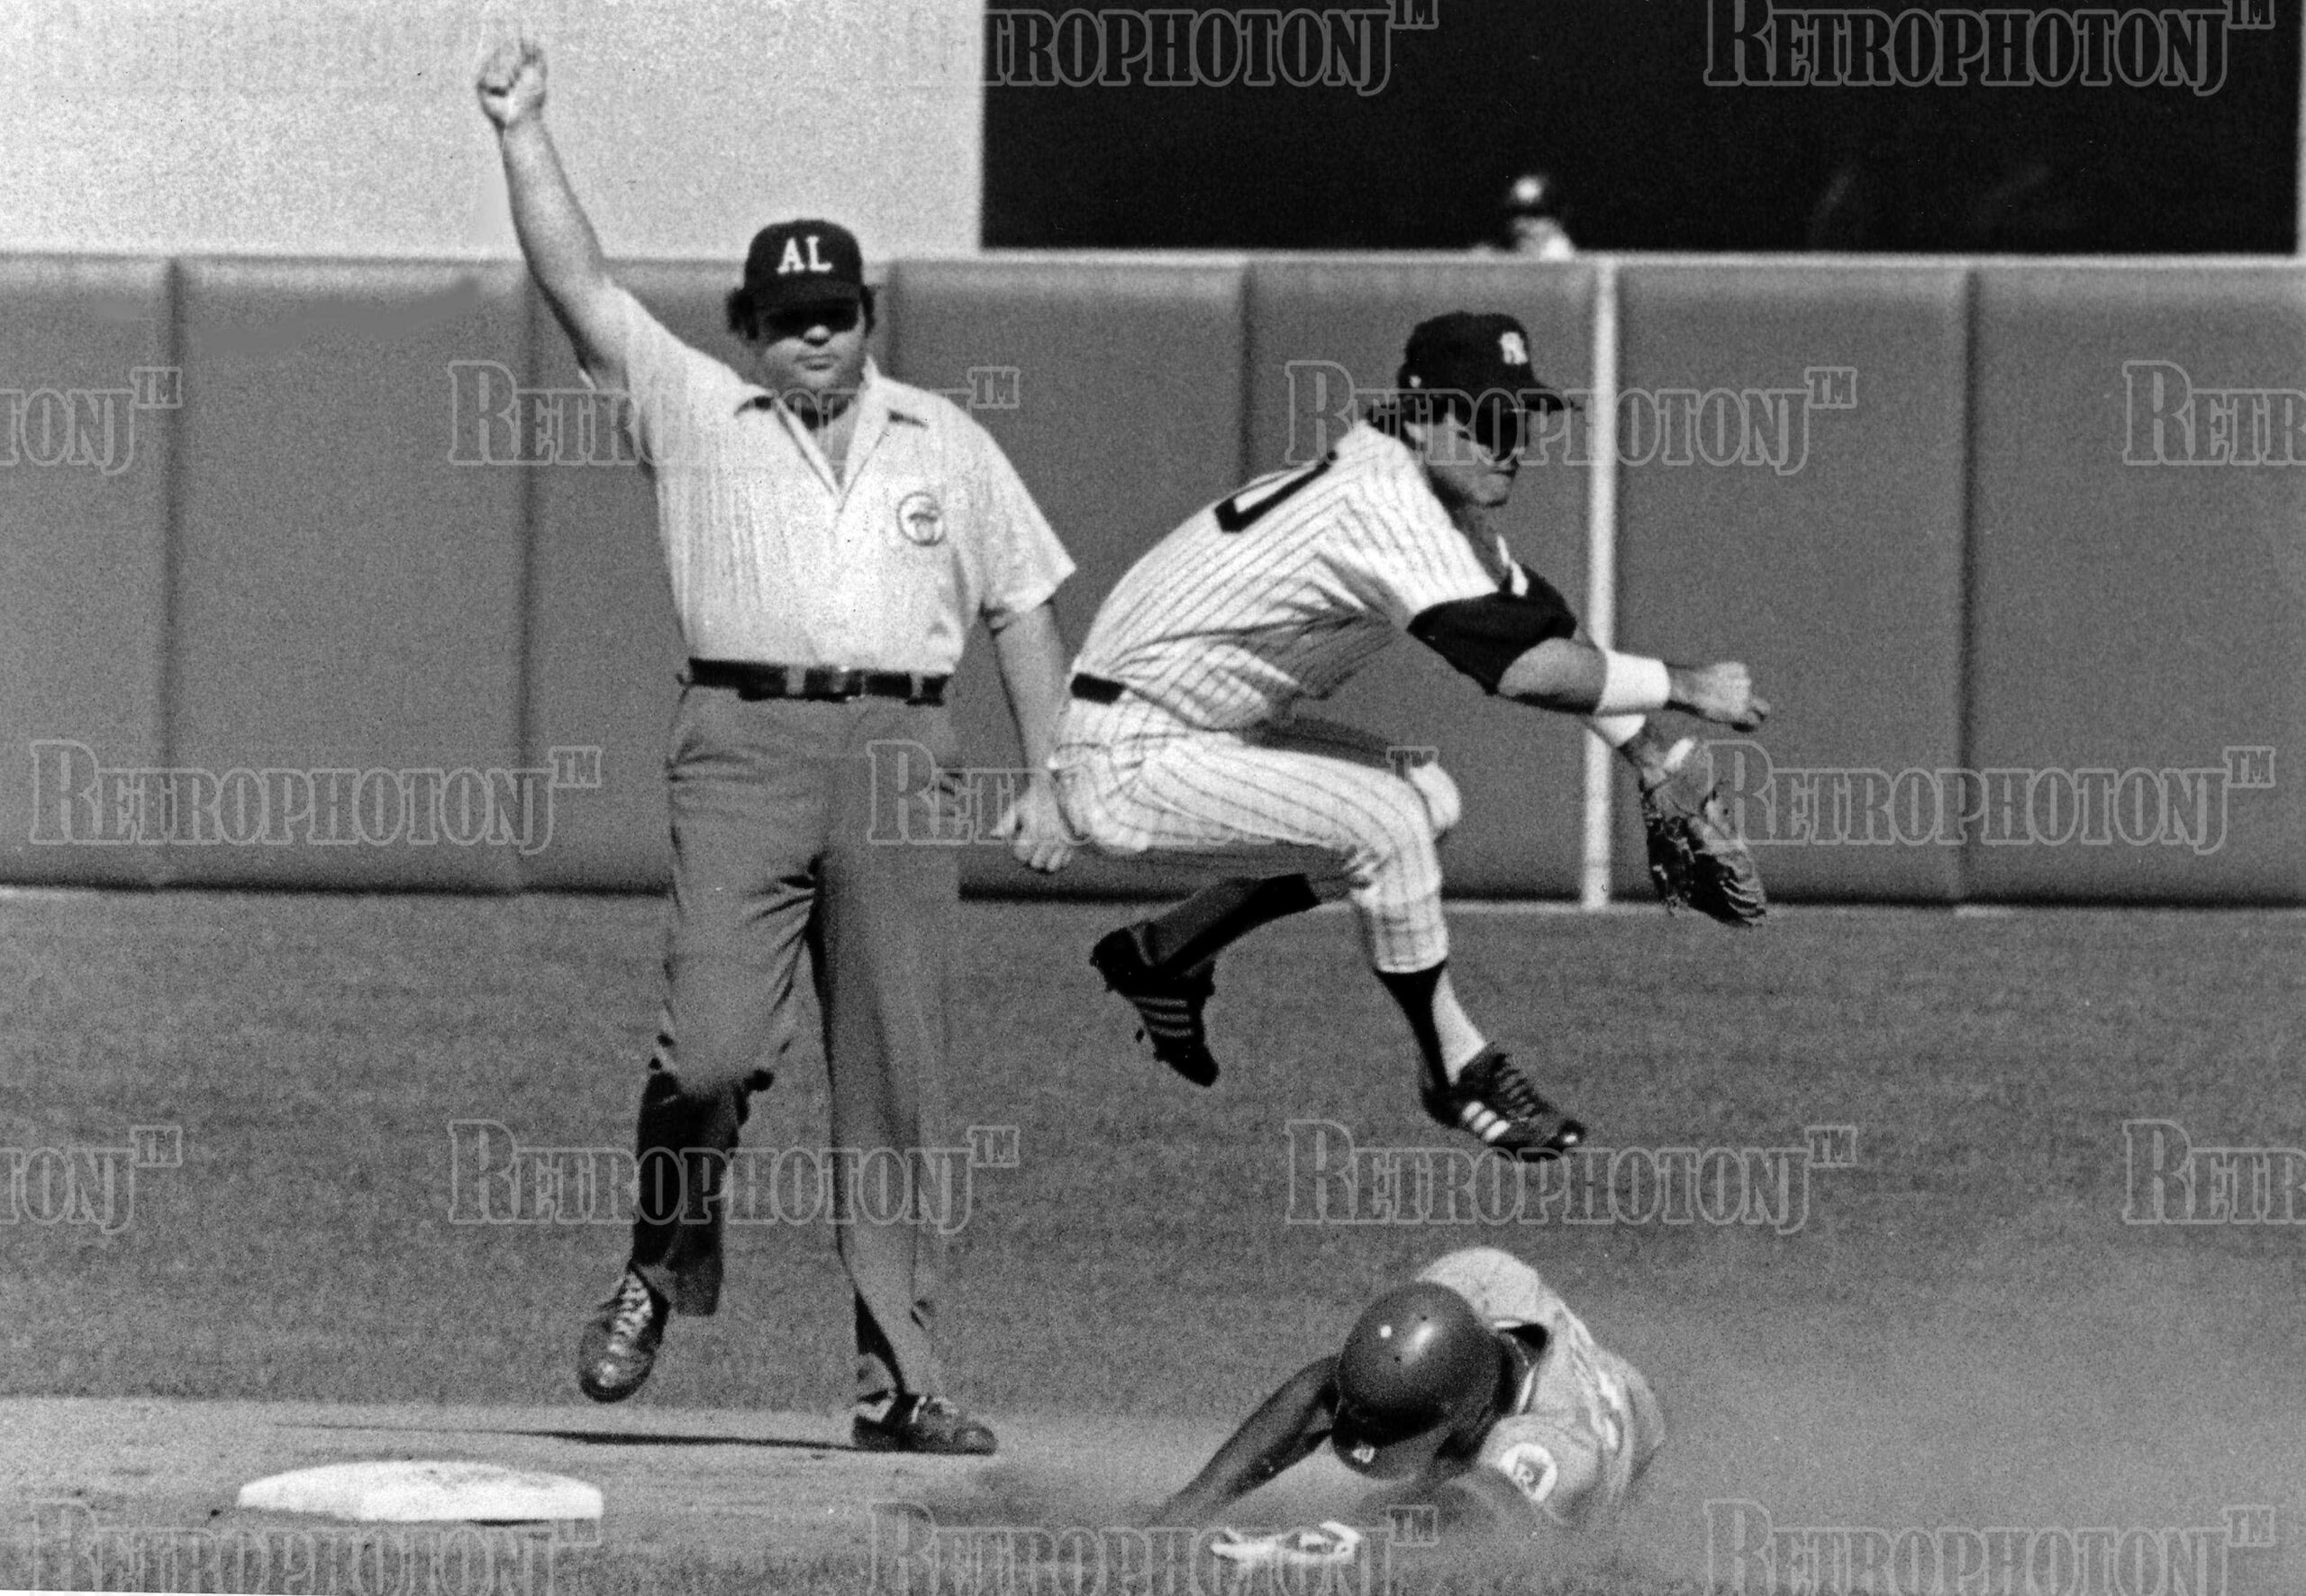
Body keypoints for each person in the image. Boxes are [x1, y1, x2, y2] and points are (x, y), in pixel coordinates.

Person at [476, 37, 1078, 1455]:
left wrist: (1057, 773)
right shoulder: (692, 407)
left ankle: (902, 1382)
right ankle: (660, 1265)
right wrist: (521, 132)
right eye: (790, 314)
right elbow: (579, 283)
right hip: (742, 741)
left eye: (839, 311)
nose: (816, 334)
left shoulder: (945, 437)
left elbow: (1025, 606)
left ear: (870, 317)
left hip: (900, 752)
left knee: (896, 1077)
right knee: (712, 1055)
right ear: (749, 324)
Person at [1054, 311, 1769, 1159]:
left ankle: (1163, 956)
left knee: (1424, 798)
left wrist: (1654, 758)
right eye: (1491, 419)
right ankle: (1455, 1070)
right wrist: (1688, 688)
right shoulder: (1382, 499)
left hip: (1207, 733)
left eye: (1523, 418)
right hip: (1130, 752)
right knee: (1386, 822)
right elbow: (1517, 669)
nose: (1514, 442)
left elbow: (1544, 632)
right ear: (1427, 416)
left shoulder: (1424, 485)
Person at [1158, 1246, 1664, 1559]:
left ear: (1470, 1414)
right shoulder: (1481, 1278)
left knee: (1515, 1554)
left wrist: (1341, 1538)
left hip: (1631, 1441)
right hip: (1543, 1379)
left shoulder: (1553, 1445)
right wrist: (1182, 1514)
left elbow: (1469, 1513)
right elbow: (1326, 1389)